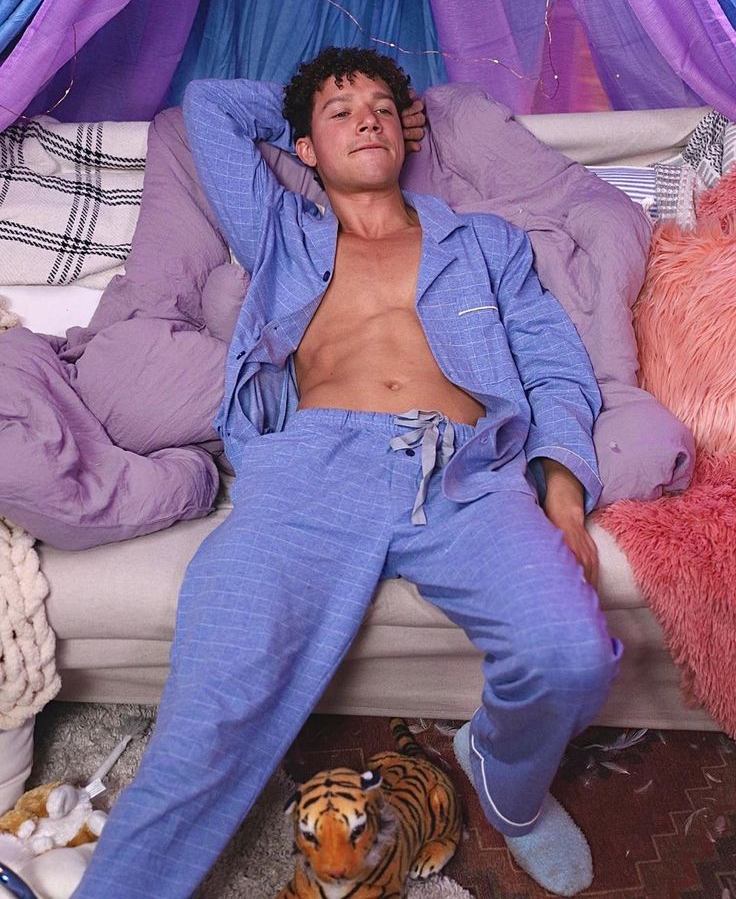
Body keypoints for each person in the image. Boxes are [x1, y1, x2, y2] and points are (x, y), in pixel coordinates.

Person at [73, 46, 621, 898]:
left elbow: (553, 367)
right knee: (204, 722)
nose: (366, 118)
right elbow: (211, 105)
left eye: (381, 107)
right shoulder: (282, 231)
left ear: (408, 132)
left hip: (464, 474)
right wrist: (316, 98)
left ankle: (506, 787)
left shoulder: (485, 242)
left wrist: (564, 500)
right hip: (310, 472)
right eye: (341, 112)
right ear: (302, 149)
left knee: (573, 655)